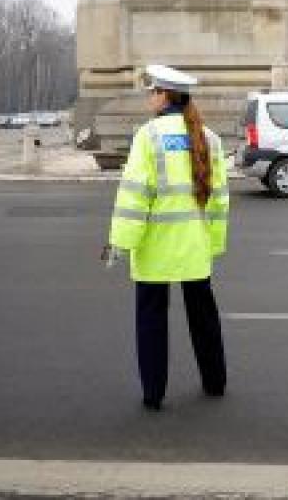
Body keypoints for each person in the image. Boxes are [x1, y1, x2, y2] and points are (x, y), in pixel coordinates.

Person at [106, 64, 230, 410]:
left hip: (155, 246)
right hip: (194, 246)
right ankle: (215, 381)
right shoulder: (209, 138)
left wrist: (120, 243)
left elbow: (134, 196)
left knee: (151, 320)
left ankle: (153, 393)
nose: (149, 96)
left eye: (152, 91)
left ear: (164, 95)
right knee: (203, 316)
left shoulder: (148, 136)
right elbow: (219, 199)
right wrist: (214, 242)